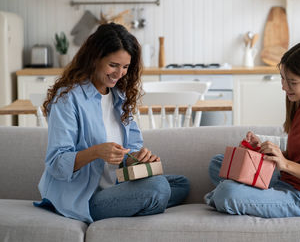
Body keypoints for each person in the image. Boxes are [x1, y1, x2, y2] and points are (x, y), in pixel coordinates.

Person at [35, 23, 190, 223]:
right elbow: (56, 163)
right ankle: (137, 205)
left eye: (125, 67)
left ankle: (135, 204)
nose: (119, 73)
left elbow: (132, 146)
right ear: (94, 58)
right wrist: (97, 152)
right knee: (158, 188)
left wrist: (138, 157)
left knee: (181, 184)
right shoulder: (68, 98)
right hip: (85, 196)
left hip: (116, 186)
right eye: (113, 65)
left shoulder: (120, 96)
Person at [205, 41, 300, 218]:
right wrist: (262, 151)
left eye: (292, 82)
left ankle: (226, 197)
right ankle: (239, 196)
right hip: (286, 180)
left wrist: (285, 164)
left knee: (227, 192)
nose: (284, 87)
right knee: (218, 163)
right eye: (283, 78)